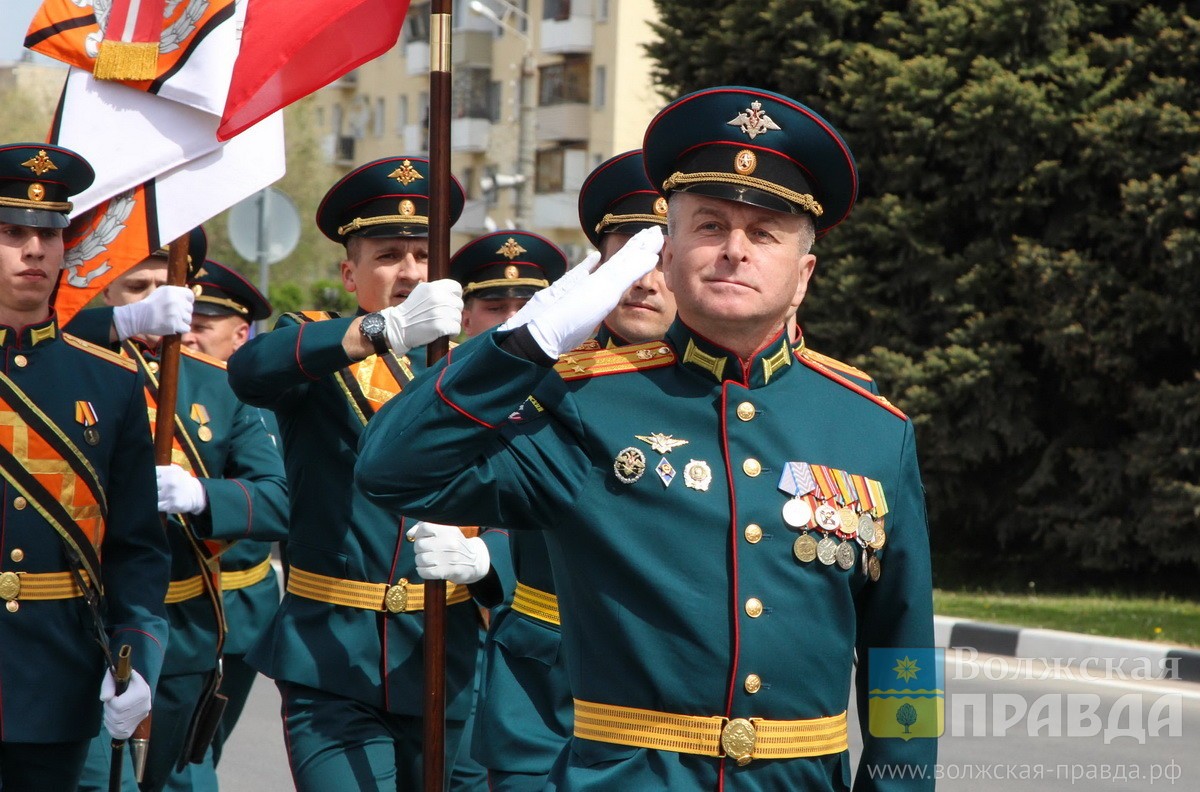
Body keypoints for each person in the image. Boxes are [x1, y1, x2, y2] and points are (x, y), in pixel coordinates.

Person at [356, 86, 936, 790]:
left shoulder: (872, 428)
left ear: (803, 274)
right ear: (666, 253)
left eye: (764, 234)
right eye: (710, 226)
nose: (734, 252)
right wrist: (523, 345)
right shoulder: (584, 403)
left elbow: (901, 661)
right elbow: (392, 470)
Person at [226, 156, 477, 791]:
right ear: (350, 273)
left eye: (425, 253)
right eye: (389, 254)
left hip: (445, 657)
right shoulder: (319, 347)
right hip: (332, 661)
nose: (412, 272)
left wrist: (487, 557)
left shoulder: (479, 369)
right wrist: (380, 330)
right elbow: (252, 370)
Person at [69, 238, 289, 792]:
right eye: (134, 289)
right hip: (79, 622)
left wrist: (203, 496)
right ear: (108, 293)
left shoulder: (219, 384)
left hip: (179, 629)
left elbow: (278, 500)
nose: (150, 301)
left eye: (159, 289)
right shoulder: (66, 367)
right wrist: (115, 324)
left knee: (168, 782)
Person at [0, 143, 169, 789]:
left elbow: (136, 549)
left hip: (58, 672)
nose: (35, 250)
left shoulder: (111, 382)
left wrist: (137, 658)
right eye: (12, 233)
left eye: (49, 233)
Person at [435, 229, 567, 791]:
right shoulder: (438, 394)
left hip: (538, 641)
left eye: (528, 306)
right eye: (494, 307)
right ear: (466, 318)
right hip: (440, 632)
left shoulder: (572, 396)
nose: (512, 318)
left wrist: (491, 557)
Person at [161, 259, 281, 790]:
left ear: (239, 334)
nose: (187, 332)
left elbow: (276, 498)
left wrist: (199, 496)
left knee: (195, 752)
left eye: (202, 324)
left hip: (233, 605)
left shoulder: (249, 399)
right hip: (156, 602)